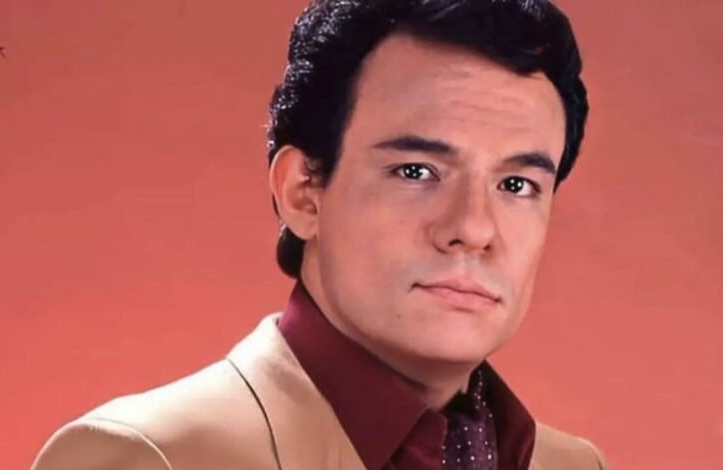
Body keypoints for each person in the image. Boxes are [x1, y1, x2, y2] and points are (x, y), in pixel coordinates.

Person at [31, 0, 608, 468]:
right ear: (302, 191)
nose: (474, 229)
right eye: (416, 171)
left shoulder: (575, 465)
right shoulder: (149, 458)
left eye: (516, 185)